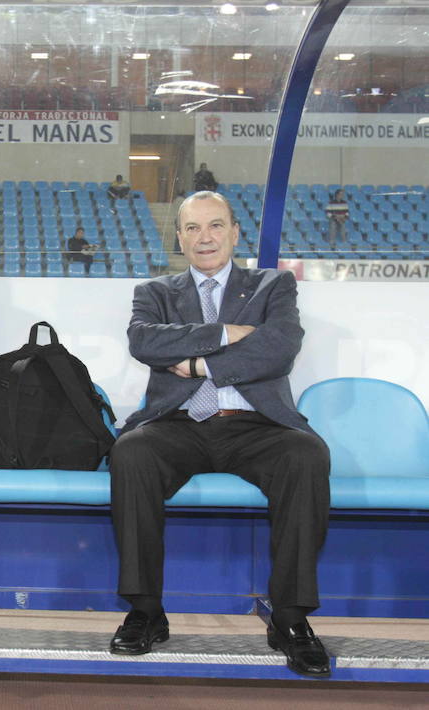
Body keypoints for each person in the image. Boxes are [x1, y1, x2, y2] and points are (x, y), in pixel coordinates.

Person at [108, 191, 331, 678]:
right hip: (179, 422)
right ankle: (146, 610)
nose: (204, 237)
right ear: (180, 238)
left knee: (307, 455)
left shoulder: (273, 284)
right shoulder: (155, 291)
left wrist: (197, 362)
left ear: (234, 232)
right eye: (192, 228)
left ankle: (290, 618)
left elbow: (279, 348)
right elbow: (145, 341)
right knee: (131, 454)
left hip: (257, 424)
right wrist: (230, 332)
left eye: (215, 226)